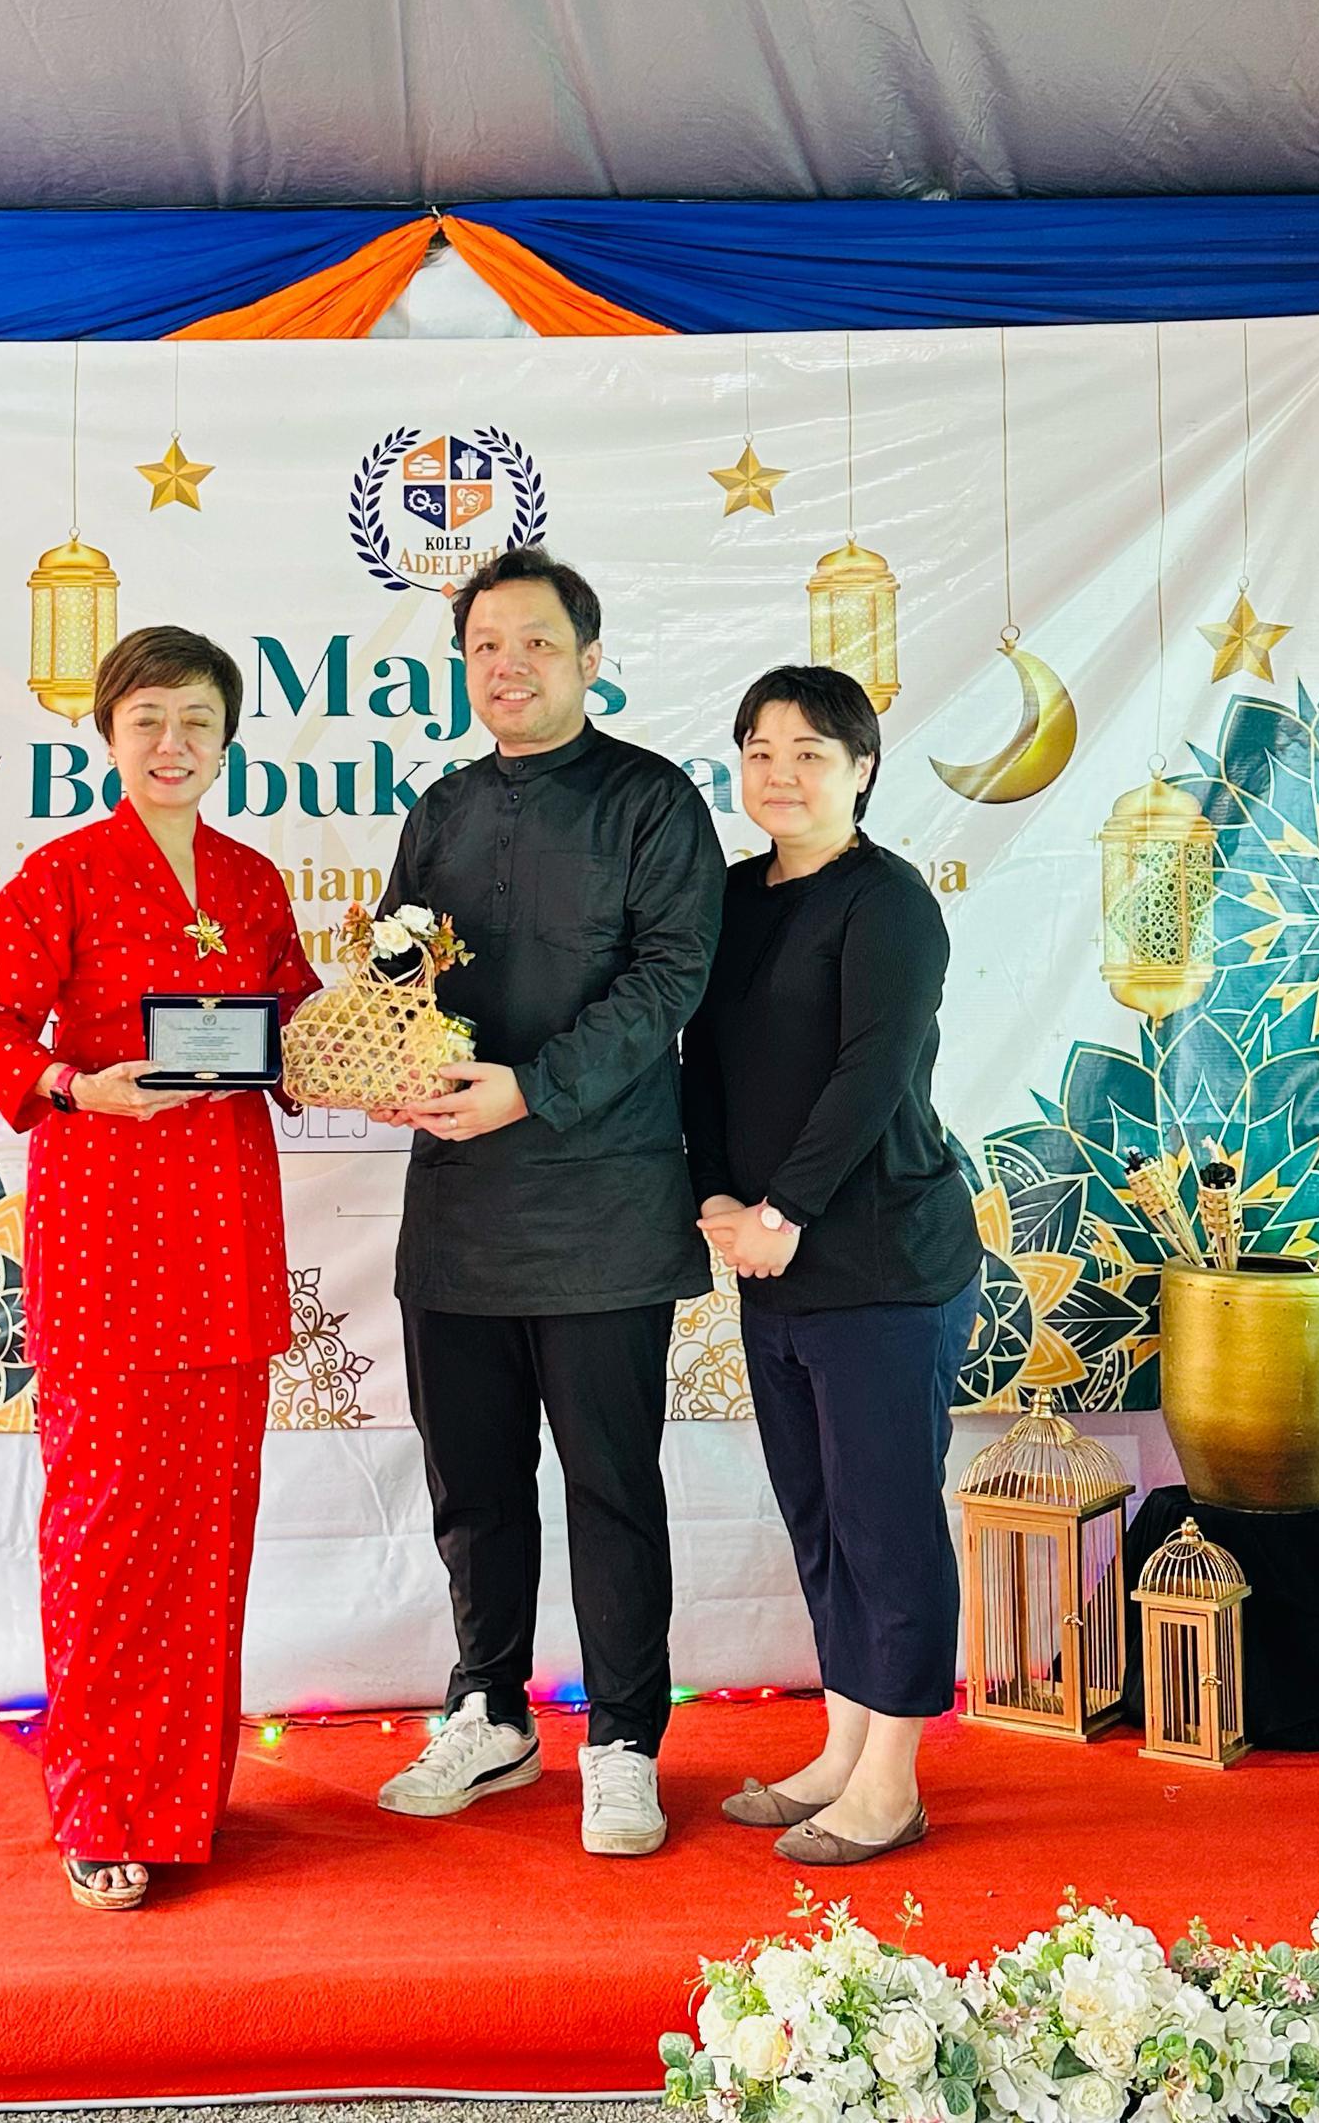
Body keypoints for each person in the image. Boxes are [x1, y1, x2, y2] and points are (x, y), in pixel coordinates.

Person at [0, 624, 319, 1912]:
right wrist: (72, 1083)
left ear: (227, 742)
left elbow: (298, 1022)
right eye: (150, 718)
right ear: (108, 731)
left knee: (209, 1533)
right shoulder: (63, 872)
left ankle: (185, 1803)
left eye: (198, 722)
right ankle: (102, 1809)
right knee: (106, 1530)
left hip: (226, 1230)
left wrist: (388, 1019)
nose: (174, 743)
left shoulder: (252, 880)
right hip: (106, 1231)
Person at [372, 546, 725, 1856]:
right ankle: (490, 1708)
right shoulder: (442, 809)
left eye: (533, 643)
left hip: (602, 1210)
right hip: (457, 1210)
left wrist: (534, 1087)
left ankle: (624, 1739)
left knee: (610, 1487)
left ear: (589, 658)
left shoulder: (652, 803)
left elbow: (669, 980)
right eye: (483, 648)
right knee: (471, 1483)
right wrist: (388, 1051)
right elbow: (400, 967)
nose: (506, 667)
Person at [682, 663, 981, 1868]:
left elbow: (872, 1072)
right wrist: (712, 1190)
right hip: (774, 1262)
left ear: (862, 768)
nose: (782, 773)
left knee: (886, 1520)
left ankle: (893, 1781)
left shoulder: (891, 903)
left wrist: (787, 1206)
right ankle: (843, 1746)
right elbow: (701, 1059)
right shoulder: (733, 897)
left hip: (884, 1260)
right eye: (760, 751)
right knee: (818, 1517)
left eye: (811, 751)